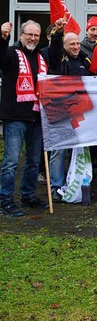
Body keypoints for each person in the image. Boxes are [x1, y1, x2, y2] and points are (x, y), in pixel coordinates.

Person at [0, 20, 50, 217]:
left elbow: (54, 56)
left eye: (36, 35)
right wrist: (2, 39)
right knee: (11, 161)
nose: (33, 38)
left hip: (37, 116)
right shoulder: (12, 53)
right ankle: (4, 199)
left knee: (33, 160)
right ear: (21, 35)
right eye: (29, 34)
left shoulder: (41, 57)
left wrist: (56, 36)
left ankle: (28, 195)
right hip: (15, 116)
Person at [46, 21, 93, 202]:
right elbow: (54, 49)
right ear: (64, 46)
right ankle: (56, 187)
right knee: (59, 150)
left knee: (81, 149)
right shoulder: (58, 60)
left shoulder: (83, 60)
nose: (75, 46)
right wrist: (58, 33)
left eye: (77, 43)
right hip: (60, 111)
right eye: (71, 44)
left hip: (80, 111)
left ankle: (79, 183)